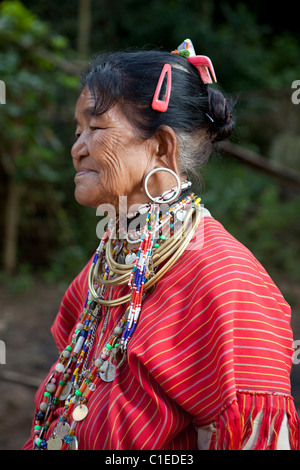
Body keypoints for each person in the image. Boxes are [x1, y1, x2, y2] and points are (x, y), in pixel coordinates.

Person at [23, 39, 299, 451]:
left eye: (95, 129)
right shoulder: (106, 271)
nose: (77, 149)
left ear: (162, 147)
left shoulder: (225, 283)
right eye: (77, 130)